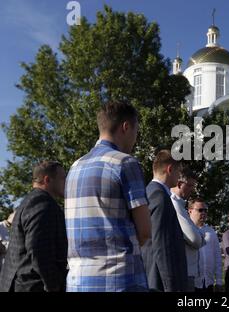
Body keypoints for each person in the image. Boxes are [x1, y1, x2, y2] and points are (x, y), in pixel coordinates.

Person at [65, 101, 150, 292]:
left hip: (78, 282)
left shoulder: (74, 168)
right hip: (119, 281)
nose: (136, 138)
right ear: (126, 127)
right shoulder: (125, 163)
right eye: (136, 131)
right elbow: (144, 231)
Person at [0, 161, 67, 292]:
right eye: (63, 178)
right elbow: (39, 251)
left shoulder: (29, 201)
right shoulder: (42, 204)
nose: (67, 183)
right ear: (47, 180)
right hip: (31, 286)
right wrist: (53, 286)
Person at [145, 150, 188, 292]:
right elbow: (161, 246)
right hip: (161, 282)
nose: (179, 176)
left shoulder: (151, 192)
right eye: (179, 171)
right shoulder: (159, 197)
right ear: (170, 169)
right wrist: (170, 286)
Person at [170, 165, 205, 292]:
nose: (192, 190)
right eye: (190, 186)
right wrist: (200, 236)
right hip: (183, 272)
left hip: (189, 271)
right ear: (180, 184)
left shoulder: (180, 204)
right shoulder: (175, 204)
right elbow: (195, 239)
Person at [188, 198, 222, 292]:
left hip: (208, 283)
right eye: (200, 210)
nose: (203, 213)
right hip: (191, 283)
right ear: (190, 211)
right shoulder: (184, 231)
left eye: (205, 210)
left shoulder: (211, 232)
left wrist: (218, 281)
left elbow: (217, 257)